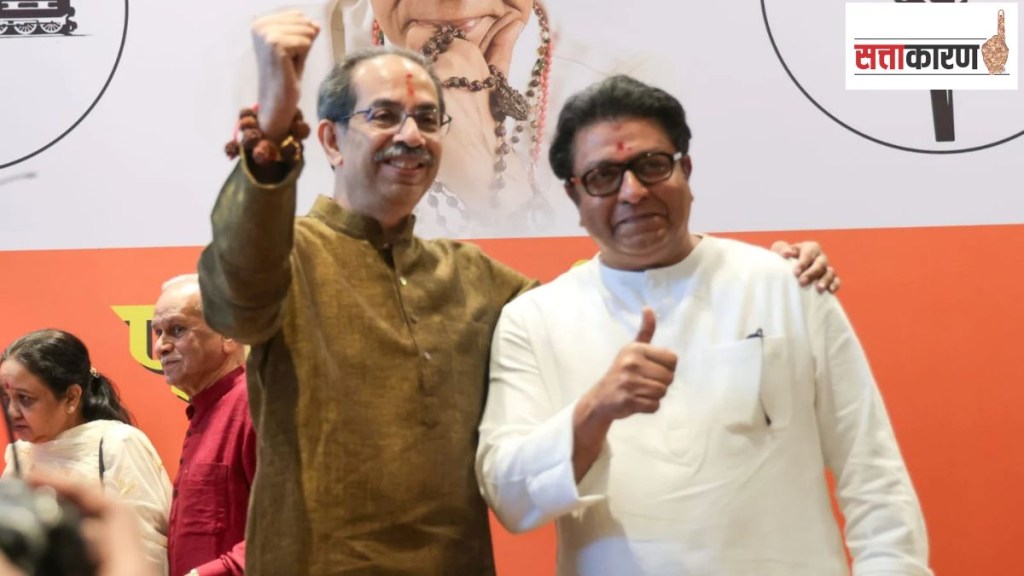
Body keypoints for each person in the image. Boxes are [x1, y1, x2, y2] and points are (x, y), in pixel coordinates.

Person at [199, 11, 838, 575]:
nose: (412, 136)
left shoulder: (474, 279)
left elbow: (605, 313)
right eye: (385, 116)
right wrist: (272, 137)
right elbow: (235, 298)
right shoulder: (289, 256)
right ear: (332, 140)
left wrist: (754, 273)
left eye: (428, 119)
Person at [475, 75, 932, 575]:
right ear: (575, 195)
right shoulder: (534, 320)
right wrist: (594, 411)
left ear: (685, 169)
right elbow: (510, 500)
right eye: (604, 176)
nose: (633, 192)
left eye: (652, 165)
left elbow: (873, 475)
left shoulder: (786, 285)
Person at [0, 329, 172, 575]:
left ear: (71, 397)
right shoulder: (20, 455)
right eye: (6, 398)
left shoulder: (118, 442)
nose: (12, 412)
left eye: (25, 398)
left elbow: (145, 548)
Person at [151, 275, 254, 576]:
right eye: (158, 333)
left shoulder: (257, 405)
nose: (160, 347)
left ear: (229, 333)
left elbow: (289, 527)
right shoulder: (207, 410)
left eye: (177, 330)